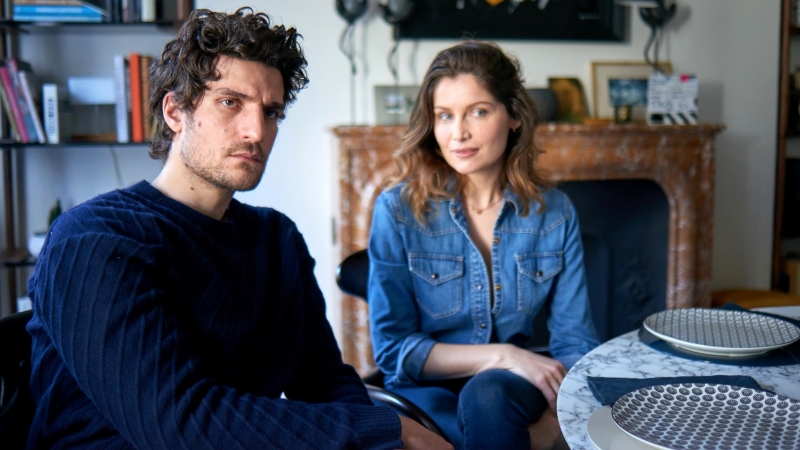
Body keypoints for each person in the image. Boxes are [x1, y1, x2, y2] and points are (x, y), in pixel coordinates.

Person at [25, 8, 451, 450]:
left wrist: (383, 442)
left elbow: (324, 380)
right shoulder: (97, 239)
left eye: (271, 112)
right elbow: (178, 424)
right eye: (231, 102)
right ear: (175, 111)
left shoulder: (277, 239)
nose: (256, 131)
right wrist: (384, 430)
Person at [368, 41, 600, 450]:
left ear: (513, 116)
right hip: (426, 390)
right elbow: (394, 351)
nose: (458, 133)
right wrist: (504, 354)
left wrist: (552, 423)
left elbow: (576, 341)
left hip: (508, 388)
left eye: (478, 111)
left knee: (490, 394)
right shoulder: (398, 211)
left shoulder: (554, 213)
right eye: (444, 116)